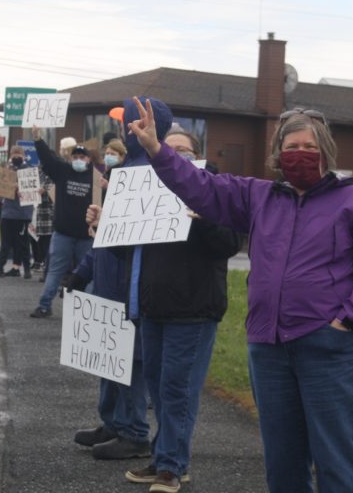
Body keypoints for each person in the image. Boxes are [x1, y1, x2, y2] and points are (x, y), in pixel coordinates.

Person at [126, 97, 353, 493]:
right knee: (282, 458)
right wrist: (156, 148)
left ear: (325, 152)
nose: (300, 154)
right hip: (267, 347)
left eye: (309, 147)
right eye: (291, 147)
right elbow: (200, 187)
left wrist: (350, 318)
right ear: (277, 154)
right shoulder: (259, 197)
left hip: (326, 345)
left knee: (335, 457)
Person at [123, 128, 242, 493]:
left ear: (197, 157)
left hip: (193, 310)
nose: (175, 156)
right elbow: (127, 250)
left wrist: (204, 218)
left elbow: (228, 244)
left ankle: (173, 467)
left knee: (179, 390)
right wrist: (103, 225)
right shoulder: (149, 191)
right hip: (155, 308)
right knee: (158, 389)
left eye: (183, 151)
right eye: (168, 150)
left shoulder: (215, 192)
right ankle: (165, 458)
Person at [68, 136, 152, 460]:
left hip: (125, 299)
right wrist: (80, 275)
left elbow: (125, 247)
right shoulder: (112, 202)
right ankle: (112, 424)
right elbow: (100, 249)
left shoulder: (137, 204)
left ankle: (134, 433)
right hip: (104, 295)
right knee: (108, 365)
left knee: (129, 368)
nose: (104, 172)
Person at [30, 126, 95, 318]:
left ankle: (86, 311)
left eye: (82, 157)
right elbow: (48, 158)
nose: (78, 160)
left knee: (87, 274)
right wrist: (38, 139)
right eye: (75, 157)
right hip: (63, 234)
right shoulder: (63, 171)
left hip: (86, 235)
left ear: (89, 160)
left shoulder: (97, 178)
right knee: (55, 271)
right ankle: (44, 305)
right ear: (70, 158)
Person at [0, 145, 34, 279]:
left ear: (24, 156)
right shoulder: (5, 170)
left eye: (19, 154)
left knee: (22, 242)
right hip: (7, 212)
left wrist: (20, 186)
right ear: (10, 156)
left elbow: (35, 191)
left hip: (22, 213)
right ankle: (0, 267)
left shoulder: (29, 170)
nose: (16, 157)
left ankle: (24, 268)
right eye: (14, 154)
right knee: (6, 242)